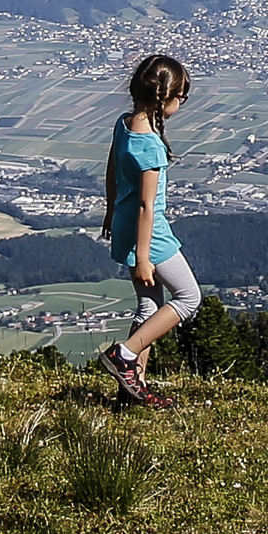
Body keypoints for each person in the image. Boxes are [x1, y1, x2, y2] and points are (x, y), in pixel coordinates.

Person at [98, 53, 196, 410]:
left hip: (125, 225)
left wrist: (111, 210)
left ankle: (130, 392)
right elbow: (147, 206)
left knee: (148, 307)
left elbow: (111, 170)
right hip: (149, 237)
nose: (181, 103)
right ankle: (124, 354)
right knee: (189, 298)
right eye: (181, 96)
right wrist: (143, 257)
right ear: (164, 96)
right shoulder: (151, 146)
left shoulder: (124, 124)